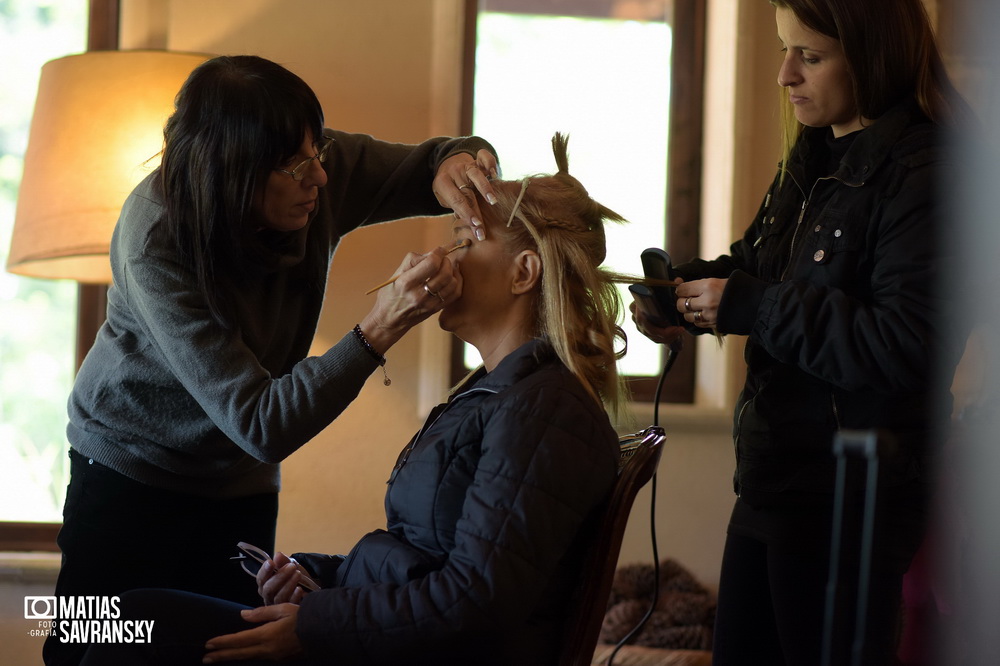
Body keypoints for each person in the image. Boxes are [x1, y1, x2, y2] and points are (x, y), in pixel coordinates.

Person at [79, 133, 627, 665]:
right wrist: (318, 579)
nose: (442, 255)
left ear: (523, 273)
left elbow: (475, 599)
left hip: (385, 648)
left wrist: (316, 624)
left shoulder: (542, 410)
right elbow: (422, 561)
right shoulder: (503, 394)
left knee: (129, 628)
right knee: (119, 627)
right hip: (363, 630)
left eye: (464, 236)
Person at [46, 55, 499, 666]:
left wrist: (458, 161)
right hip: (125, 478)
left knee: (230, 653)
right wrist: (381, 325)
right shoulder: (156, 238)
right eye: (296, 166)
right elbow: (263, 423)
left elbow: (432, 161)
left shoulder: (312, 168)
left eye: (317, 152)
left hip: (237, 488)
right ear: (232, 175)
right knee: (84, 651)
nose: (322, 177)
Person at [632, 1, 970, 663]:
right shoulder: (815, 152)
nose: (785, 74)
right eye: (784, 50)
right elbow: (761, 267)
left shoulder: (928, 173)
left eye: (809, 56)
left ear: (872, 56)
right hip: (772, 481)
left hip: (847, 505)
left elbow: (904, 345)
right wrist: (687, 294)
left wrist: (749, 307)